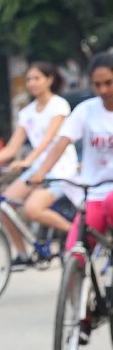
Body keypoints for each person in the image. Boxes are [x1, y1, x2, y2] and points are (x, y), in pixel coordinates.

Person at [0, 63, 78, 259]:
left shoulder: (58, 105)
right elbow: (11, 148)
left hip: (61, 169)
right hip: (36, 168)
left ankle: (78, 234)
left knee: (32, 209)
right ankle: (22, 253)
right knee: (4, 205)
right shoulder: (26, 113)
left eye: (37, 78)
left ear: (49, 80)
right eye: (29, 79)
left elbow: (48, 141)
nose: (32, 83)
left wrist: (28, 160)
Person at [26, 51, 113, 251]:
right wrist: (40, 172)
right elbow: (61, 143)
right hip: (93, 192)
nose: (103, 90)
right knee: (75, 250)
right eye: (97, 84)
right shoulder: (86, 110)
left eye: (109, 83)